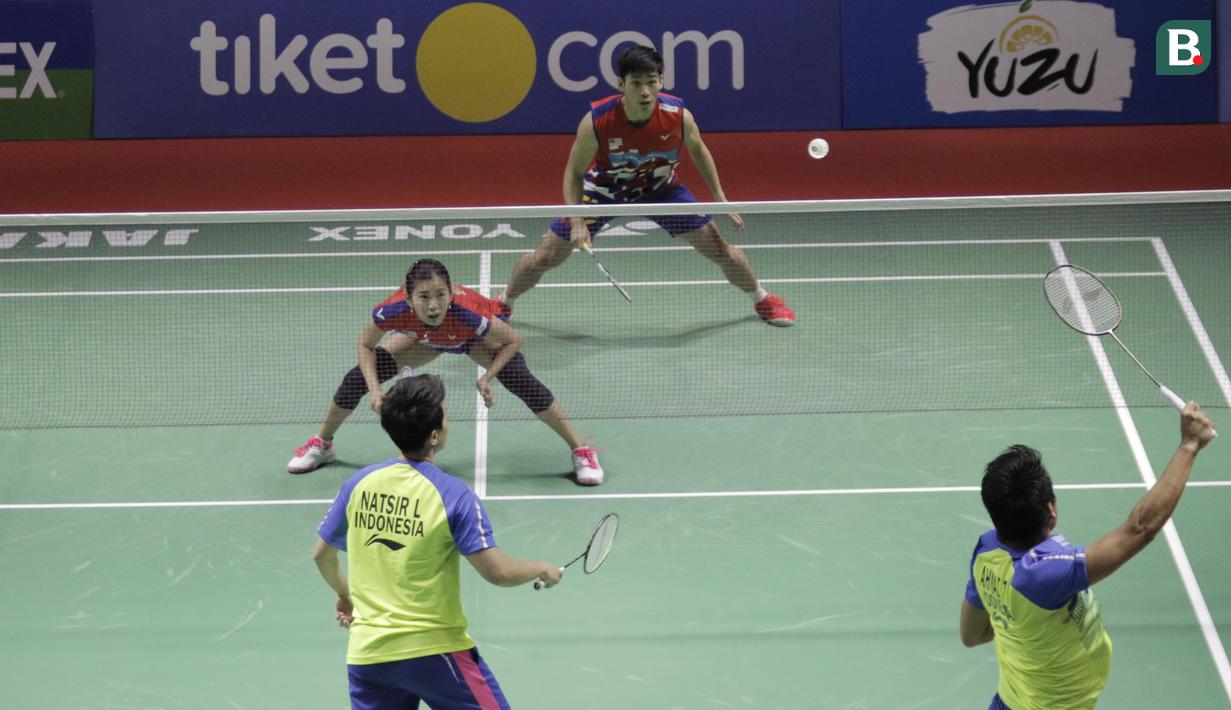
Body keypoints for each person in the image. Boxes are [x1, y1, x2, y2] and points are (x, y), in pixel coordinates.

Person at [495, 44, 795, 328]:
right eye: (636, 82)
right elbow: (573, 173)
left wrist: (720, 198)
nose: (645, 91)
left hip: (661, 190)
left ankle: (763, 298)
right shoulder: (598, 121)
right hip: (605, 191)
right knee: (546, 256)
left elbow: (699, 149)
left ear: (661, 80)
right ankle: (504, 303)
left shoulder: (678, 117)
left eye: (651, 81)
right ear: (621, 83)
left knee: (720, 249)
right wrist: (576, 221)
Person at [313, 374, 562, 709]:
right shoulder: (454, 495)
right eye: (444, 415)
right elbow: (498, 572)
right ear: (434, 436)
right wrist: (541, 568)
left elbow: (321, 555)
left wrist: (346, 594)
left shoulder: (358, 484)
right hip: (435, 652)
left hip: (367, 656)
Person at [960, 403, 1217, 710]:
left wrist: (1025, 630)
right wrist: (1189, 445)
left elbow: (972, 635)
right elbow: (1139, 529)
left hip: (1012, 699)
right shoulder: (1043, 574)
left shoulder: (986, 552)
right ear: (1051, 509)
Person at [289, 258, 604, 485]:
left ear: (450, 293)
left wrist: (487, 376)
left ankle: (581, 450)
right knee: (354, 379)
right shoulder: (390, 311)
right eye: (424, 297)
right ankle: (323, 444)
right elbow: (365, 345)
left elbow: (513, 340)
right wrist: (374, 391)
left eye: (441, 294)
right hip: (426, 341)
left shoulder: (465, 313)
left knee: (525, 384)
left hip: (474, 340)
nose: (434, 304)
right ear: (410, 299)